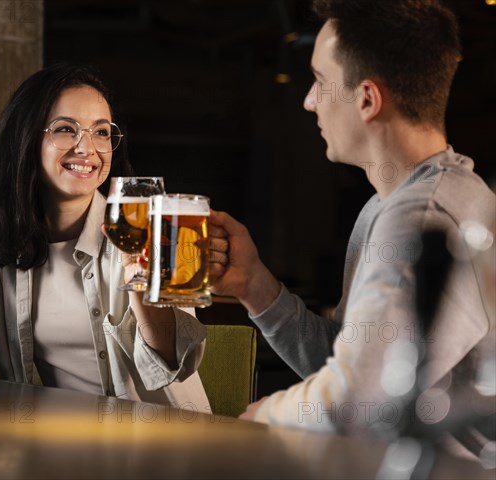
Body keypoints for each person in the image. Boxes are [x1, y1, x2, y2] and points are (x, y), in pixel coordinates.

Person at [209, 0, 495, 435]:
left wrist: (263, 415)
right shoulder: (390, 203)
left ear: (366, 99)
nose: (308, 101)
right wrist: (255, 287)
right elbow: (345, 363)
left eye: (320, 81)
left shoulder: (423, 215)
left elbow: (355, 400)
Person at [0, 63, 210, 412]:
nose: (87, 148)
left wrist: (138, 277)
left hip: (159, 446)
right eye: (67, 129)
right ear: (27, 138)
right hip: (53, 445)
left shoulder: (152, 228)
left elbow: (176, 362)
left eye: (101, 132)